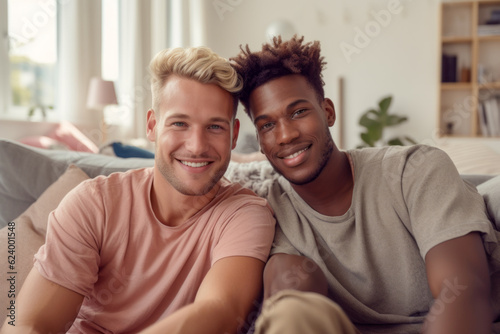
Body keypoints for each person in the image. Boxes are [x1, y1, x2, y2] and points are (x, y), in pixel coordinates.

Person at [227, 35, 500, 333]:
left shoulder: (414, 169)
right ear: (260, 142)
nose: (285, 135)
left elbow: (464, 292)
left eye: (299, 112)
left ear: (328, 112)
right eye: (267, 125)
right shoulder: (269, 211)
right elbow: (292, 303)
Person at [0, 46, 275, 334]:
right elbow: (29, 323)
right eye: (179, 123)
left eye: (215, 127)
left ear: (233, 135)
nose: (196, 145)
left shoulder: (246, 214)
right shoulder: (94, 203)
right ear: (153, 126)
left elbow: (221, 309)